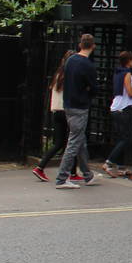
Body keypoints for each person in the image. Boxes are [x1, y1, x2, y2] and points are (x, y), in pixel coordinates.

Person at [55, 34, 98, 189]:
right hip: (80, 106)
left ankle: (88, 175)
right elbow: (94, 89)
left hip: (68, 104)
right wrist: (87, 92)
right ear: (93, 46)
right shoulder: (88, 65)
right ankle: (61, 178)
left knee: (80, 140)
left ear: (80, 44)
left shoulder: (70, 60)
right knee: (74, 141)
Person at [32, 51, 73, 182]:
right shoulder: (69, 75)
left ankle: (40, 166)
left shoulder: (58, 74)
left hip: (55, 111)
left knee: (60, 143)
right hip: (65, 111)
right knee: (72, 142)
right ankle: (71, 172)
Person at [105, 51, 132, 176]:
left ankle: (121, 167)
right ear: (128, 61)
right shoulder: (127, 74)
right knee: (126, 138)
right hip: (124, 108)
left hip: (116, 107)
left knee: (121, 138)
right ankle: (109, 163)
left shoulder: (118, 73)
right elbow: (130, 93)